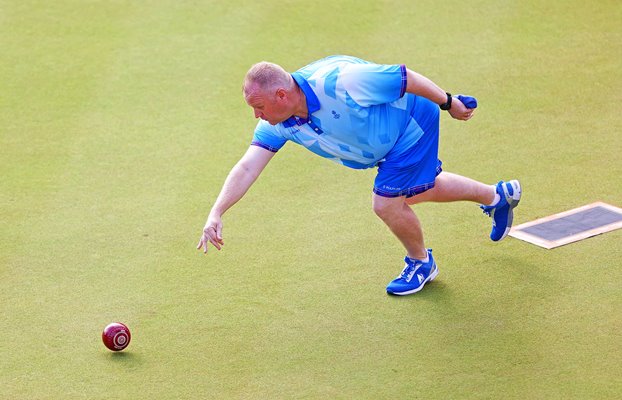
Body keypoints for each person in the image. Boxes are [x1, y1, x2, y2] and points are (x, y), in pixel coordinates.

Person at [197, 55, 521, 296]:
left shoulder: (340, 81)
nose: (257, 115)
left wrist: (449, 103)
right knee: (412, 193)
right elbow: (247, 166)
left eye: (259, 106)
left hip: (410, 124)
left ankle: (421, 263)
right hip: (384, 145)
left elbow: (404, 77)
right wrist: (217, 212)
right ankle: (496, 196)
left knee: (387, 204)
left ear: (281, 95)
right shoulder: (278, 122)